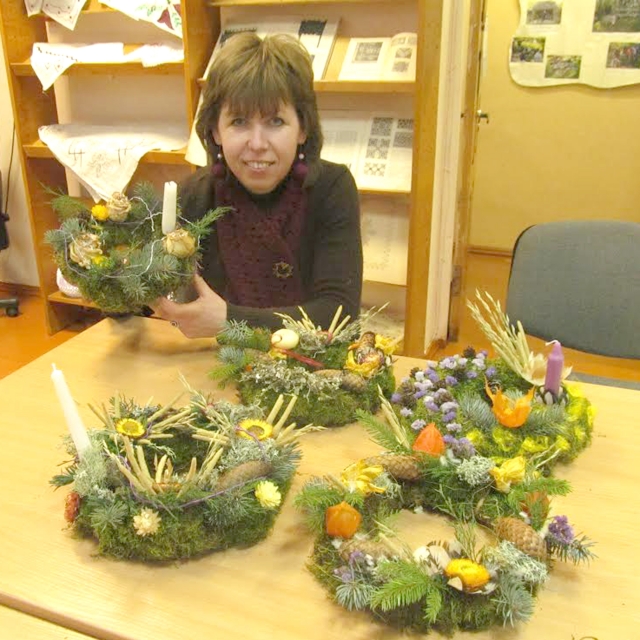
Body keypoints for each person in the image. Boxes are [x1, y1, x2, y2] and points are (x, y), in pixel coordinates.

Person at [153, 33, 362, 338]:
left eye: (275, 122)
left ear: (303, 128)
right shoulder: (195, 194)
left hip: (312, 369)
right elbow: (147, 294)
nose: (258, 144)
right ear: (215, 131)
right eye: (239, 122)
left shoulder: (332, 188)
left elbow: (338, 312)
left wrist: (229, 320)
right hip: (214, 367)